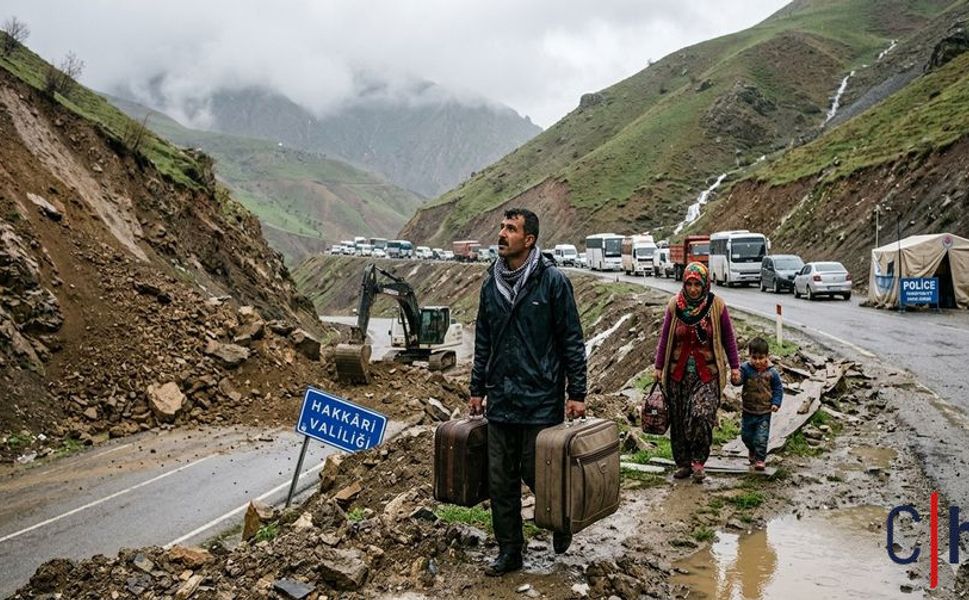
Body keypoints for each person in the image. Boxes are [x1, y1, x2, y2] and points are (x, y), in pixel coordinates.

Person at [469, 208, 588, 577]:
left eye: (511, 229)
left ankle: (561, 520)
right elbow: (483, 339)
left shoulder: (552, 282)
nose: (502, 234)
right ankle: (510, 551)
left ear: (530, 240)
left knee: (542, 475)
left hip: (541, 400)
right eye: (502, 227)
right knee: (501, 480)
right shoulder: (491, 283)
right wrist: (476, 387)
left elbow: (571, 339)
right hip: (501, 400)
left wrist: (577, 392)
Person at [653, 262, 740, 483]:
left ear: (705, 285)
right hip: (677, 375)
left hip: (707, 374)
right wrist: (658, 366)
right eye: (689, 284)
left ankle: (699, 461)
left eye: (697, 284)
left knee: (701, 415)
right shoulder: (675, 306)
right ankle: (683, 463)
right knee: (680, 421)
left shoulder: (716, 306)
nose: (693, 289)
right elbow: (665, 339)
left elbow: (728, 339)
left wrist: (736, 366)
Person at [738, 337, 783, 471]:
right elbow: (739, 381)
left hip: (764, 412)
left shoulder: (772, 372)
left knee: (761, 437)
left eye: (761, 358)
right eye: (754, 357)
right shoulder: (745, 369)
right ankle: (751, 449)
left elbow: (778, 389)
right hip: (748, 410)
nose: (757, 361)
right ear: (749, 355)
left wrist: (776, 402)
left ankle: (760, 459)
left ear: (767, 357)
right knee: (746, 436)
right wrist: (735, 378)